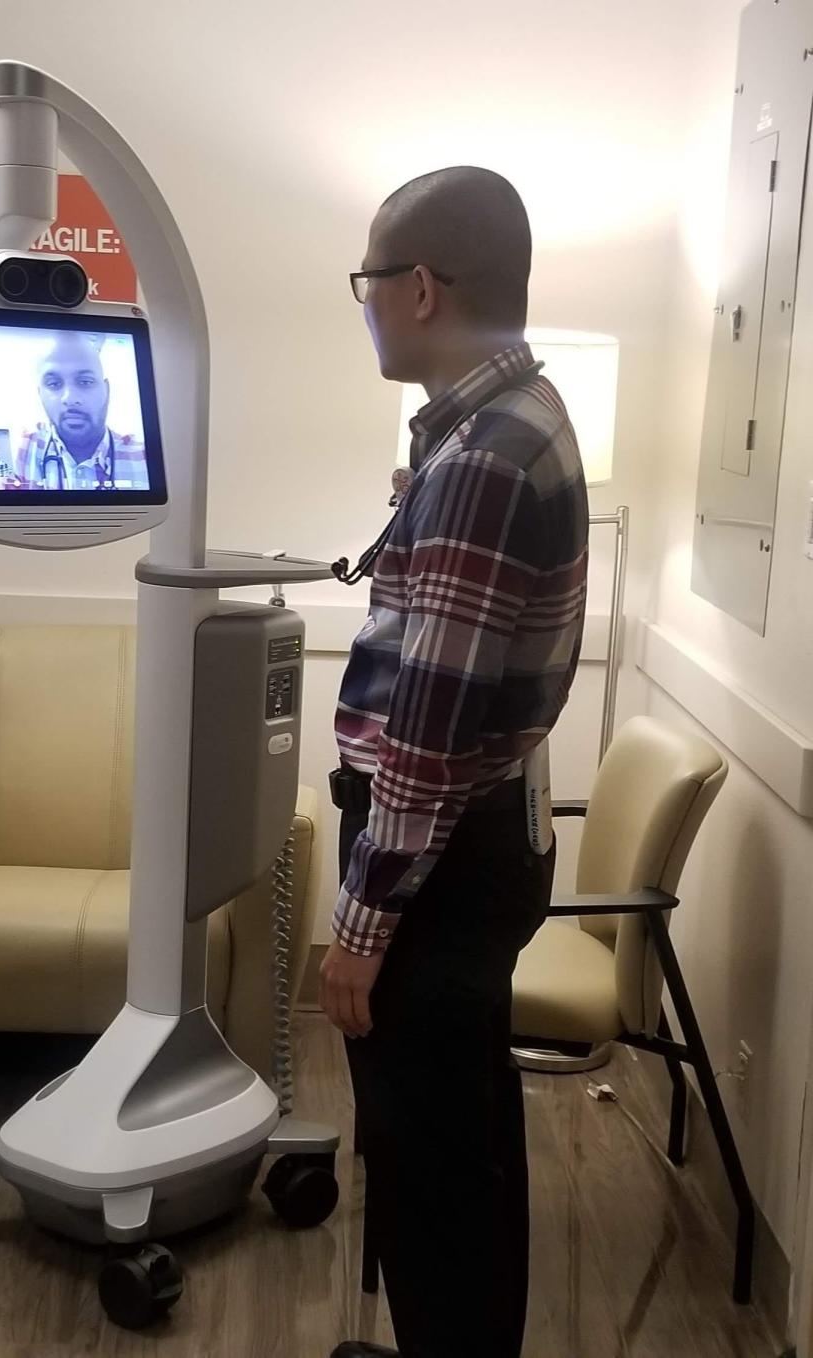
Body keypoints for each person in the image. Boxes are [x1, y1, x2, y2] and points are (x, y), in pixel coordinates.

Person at [320, 166, 589, 1358]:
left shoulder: (484, 455)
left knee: (430, 1171)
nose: (366, 303)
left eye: (369, 283)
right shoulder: (509, 421)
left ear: (419, 287)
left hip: (432, 858)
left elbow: (425, 738)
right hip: (482, 843)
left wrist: (362, 927)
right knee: (468, 1149)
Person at [14, 334, 146, 490]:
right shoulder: (29, 447)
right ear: (40, 394)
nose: (70, 398)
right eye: (54, 384)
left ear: (107, 391)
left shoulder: (143, 457)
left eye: (85, 382)